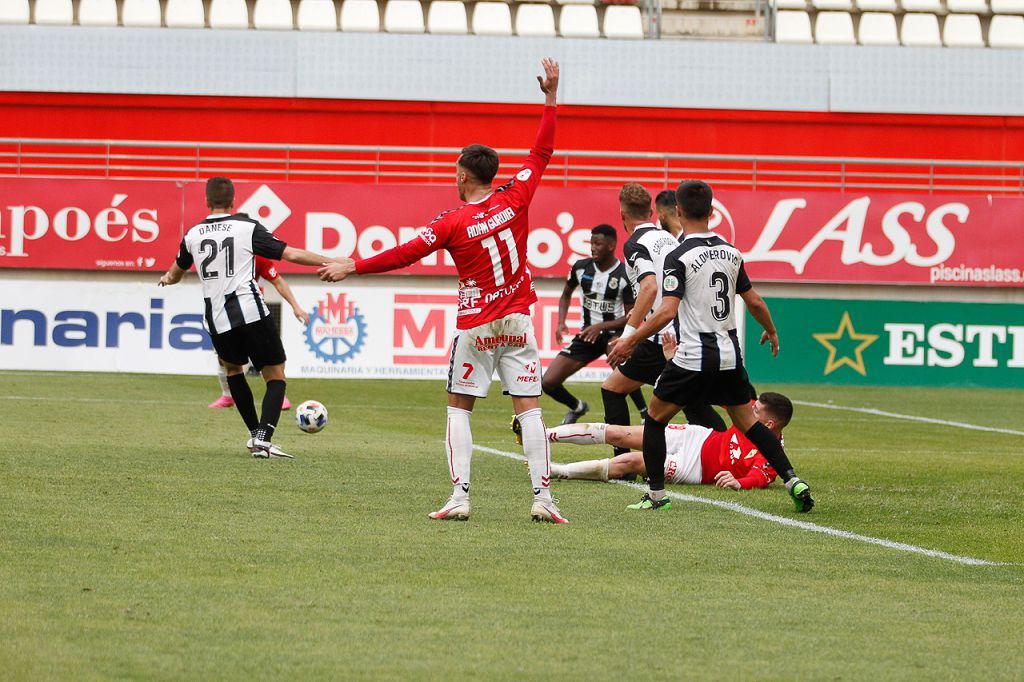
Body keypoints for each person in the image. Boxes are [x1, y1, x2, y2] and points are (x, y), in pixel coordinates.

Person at [318, 59, 567, 524]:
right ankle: (543, 499)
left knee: (459, 407)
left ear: (463, 176)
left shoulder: (451, 223)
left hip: (476, 326)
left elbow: (406, 253)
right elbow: (542, 152)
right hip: (518, 322)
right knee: (530, 410)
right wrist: (550, 98)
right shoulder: (517, 196)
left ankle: (460, 496)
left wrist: (353, 265)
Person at [607, 179, 814, 513]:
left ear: (678, 211)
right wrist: (771, 330)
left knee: (656, 421)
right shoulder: (731, 252)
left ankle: (656, 495)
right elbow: (755, 300)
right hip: (731, 357)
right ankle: (793, 479)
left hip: (692, 357)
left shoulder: (679, 256)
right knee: (750, 424)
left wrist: (630, 339)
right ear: (712, 211)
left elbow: (666, 311)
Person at [159, 176, 335, 459]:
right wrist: (332, 260)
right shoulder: (247, 227)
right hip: (250, 312)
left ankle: (256, 436)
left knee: (233, 371)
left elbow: (176, 272)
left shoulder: (192, 234)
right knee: (275, 374)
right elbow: (291, 253)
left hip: (216, 319)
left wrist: (167, 279)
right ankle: (263, 438)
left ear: (206, 201)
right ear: (233, 201)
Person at [545, 391, 793, 495]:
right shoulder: (746, 412)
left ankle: (556, 471)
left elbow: (761, 477)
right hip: (697, 436)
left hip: (694, 468)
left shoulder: (773, 454)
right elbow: (720, 394)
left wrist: (740, 482)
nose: (750, 408)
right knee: (620, 434)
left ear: (769, 425)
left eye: (756, 409)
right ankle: (545, 434)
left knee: (633, 461)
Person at [599, 184, 678, 454]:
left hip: (659, 335)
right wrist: (639, 312)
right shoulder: (670, 238)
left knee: (612, 389)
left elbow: (650, 287)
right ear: (651, 211)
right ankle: (720, 453)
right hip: (679, 330)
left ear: (622, 215)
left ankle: (622, 461)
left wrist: (628, 336)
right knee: (692, 403)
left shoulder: (634, 243)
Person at [545, 223, 647, 425]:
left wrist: (601, 327)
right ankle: (577, 407)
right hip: (587, 335)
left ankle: (644, 414)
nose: (592, 247)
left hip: (613, 333)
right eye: (591, 243)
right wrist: (560, 322)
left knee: (622, 364)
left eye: (598, 243)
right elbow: (566, 294)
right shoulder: (581, 268)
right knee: (548, 382)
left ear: (611, 245)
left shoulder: (624, 275)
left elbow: (630, 315)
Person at [208, 256, 309, 410]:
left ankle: (280, 397)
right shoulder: (220, 253)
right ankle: (227, 396)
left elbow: (278, 281)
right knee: (224, 359)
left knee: (265, 357)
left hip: (252, 312)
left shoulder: (257, 256)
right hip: (223, 311)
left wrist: (296, 306)